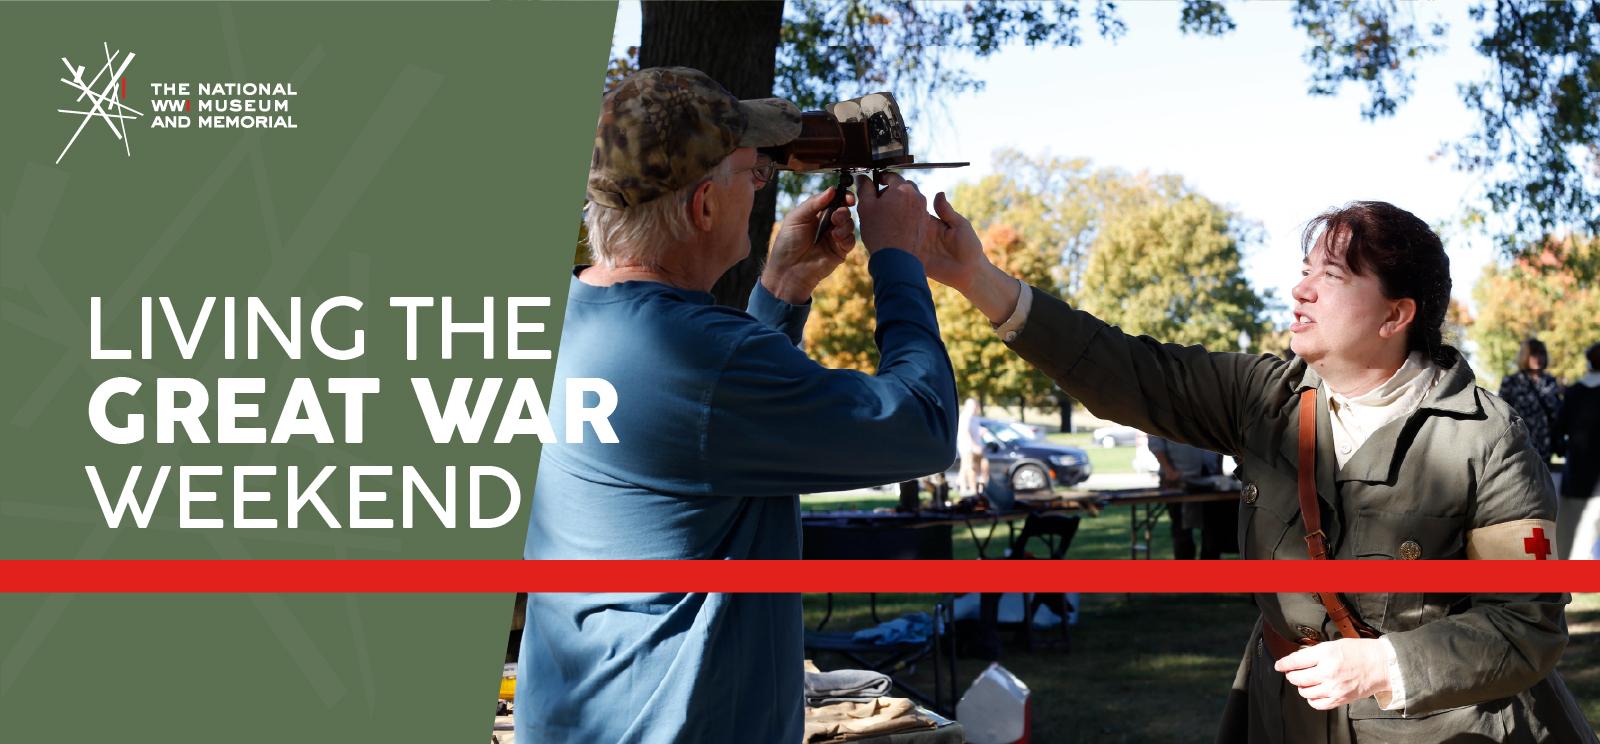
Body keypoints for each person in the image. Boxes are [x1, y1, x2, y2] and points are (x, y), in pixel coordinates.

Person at [906, 196, 1595, 743]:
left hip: (1431, 729)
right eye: (1305, 270)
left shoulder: (1486, 439)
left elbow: (1526, 625)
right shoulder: (1262, 397)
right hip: (1283, 714)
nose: (1300, 291)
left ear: (1396, 313)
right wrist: (977, 278)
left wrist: (1387, 663)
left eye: (1330, 276)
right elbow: (1124, 369)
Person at [515, 68, 958, 744]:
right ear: (702, 206)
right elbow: (922, 426)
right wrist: (897, 257)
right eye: (752, 175)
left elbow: (703, 443)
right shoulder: (701, 357)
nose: (760, 192)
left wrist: (780, 289)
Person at [1148, 436, 1231, 560]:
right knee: (1183, 534)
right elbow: (1155, 440)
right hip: (1178, 480)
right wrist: (1168, 470)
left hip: (1210, 477)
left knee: (1212, 534)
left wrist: (1219, 469)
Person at [1555, 342, 1600, 559]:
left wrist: (1565, 450)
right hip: (1585, 473)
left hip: (1577, 471)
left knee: (1568, 530)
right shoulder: (1574, 393)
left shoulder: (1573, 393)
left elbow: (1558, 431)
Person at [1500, 338, 1565, 466]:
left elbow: (1558, 415)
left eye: (1541, 354)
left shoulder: (1551, 382)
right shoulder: (1511, 382)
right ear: (1525, 356)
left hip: (1545, 448)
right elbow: (1501, 415)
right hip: (1519, 448)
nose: (1538, 358)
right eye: (1534, 354)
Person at [957, 397, 989, 496]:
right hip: (968, 447)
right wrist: (974, 445)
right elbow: (965, 432)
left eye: (975, 405)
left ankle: (971, 487)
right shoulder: (966, 416)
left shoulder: (974, 417)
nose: (975, 408)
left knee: (972, 467)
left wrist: (980, 431)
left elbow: (973, 430)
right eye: (973, 406)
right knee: (969, 467)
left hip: (976, 446)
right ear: (967, 406)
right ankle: (969, 489)